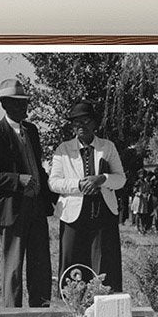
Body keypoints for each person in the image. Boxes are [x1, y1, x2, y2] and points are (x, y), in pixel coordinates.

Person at [0, 79, 56, 309]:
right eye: (18, 103)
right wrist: (17, 180)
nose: (24, 108)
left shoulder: (32, 131)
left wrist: (53, 196)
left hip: (37, 208)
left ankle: (40, 315)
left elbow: (38, 168)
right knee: (14, 266)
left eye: (25, 103)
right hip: (12, 210)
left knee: (40, 264)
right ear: (5, 105)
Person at [48, 100, 126, 293]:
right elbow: (54, 182)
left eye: (85, 121)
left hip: (103, 215)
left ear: (94, 124)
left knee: (104, 263)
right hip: (73, 216)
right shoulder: (63, 150)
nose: (80, 126)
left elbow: (120, 180)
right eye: (76, 123)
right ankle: (73, 307)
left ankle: (103, 307)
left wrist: (102, 179)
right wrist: (79, 185)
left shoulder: (107, 147)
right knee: (73, 263)